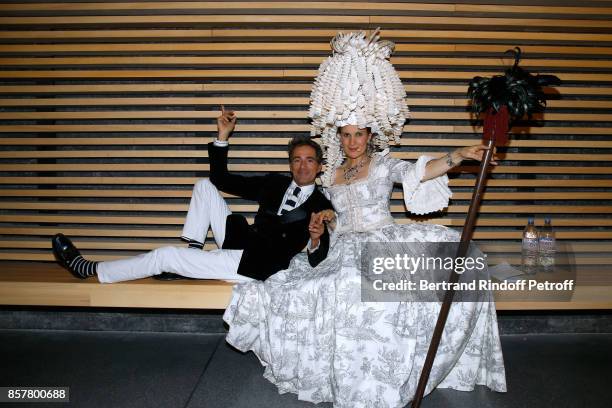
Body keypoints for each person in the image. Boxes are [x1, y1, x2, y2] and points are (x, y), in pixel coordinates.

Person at [222, 31, 507, 407]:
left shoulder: (383, 165)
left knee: (445, 264)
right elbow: (323, 212)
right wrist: (325, 219)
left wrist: (457, 154)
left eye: (359, 134)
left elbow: (419, 173)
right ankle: (348, 376)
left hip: (383, 239)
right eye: (346, 135)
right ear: (338, 137)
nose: (353, 141)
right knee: (327, 285)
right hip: (344, 246)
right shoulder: (328, 175)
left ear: (370, 135)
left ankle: (388, 375)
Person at [51, 107, 333, 283]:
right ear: (290, 164)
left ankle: (89, 269)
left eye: (310, 160)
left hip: (254, 263)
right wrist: (223, 135)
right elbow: (220, 179)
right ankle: (193, 254)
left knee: (164, 256)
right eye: (297, 159)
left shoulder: (322, 205)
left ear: (319, 167)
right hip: (239, 240)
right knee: (204, 186)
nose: (303, 165)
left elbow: (317, 258)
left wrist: (316, 238)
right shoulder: (275, 183)